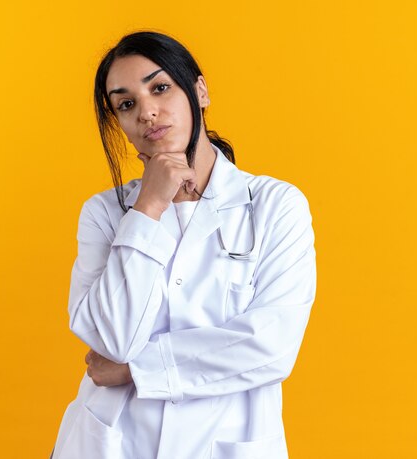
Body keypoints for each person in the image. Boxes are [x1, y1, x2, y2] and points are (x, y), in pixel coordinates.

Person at [50, 31, 316, 459]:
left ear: (200, 91)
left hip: (224, 442)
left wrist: (135, 371)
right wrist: (149, 207)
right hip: (113, 442)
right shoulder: (104, 214)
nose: (147, 112)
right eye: (126, 103)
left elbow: (270, 345)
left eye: (159, 88)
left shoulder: (275, 205)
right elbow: (112, 339)